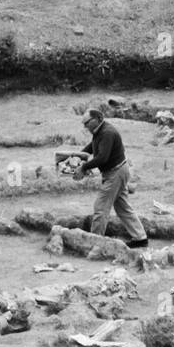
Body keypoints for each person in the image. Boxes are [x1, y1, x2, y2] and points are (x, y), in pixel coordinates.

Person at [72, 106, 148, 248]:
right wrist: (77, 156)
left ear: (96, 119)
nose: (85, 126)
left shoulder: (107, 132)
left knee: (100, 207)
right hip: (118, 171)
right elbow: (93, 146)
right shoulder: (100, 131)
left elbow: (102, 158)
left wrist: (84, 167)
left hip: (115, 173)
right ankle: (140, 238)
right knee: (123, 207)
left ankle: (94, 242)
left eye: (86, 123)